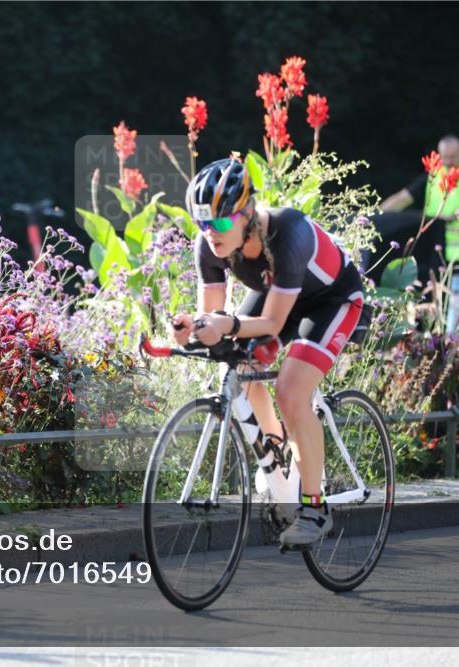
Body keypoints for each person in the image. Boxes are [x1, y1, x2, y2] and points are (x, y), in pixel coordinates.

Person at [170, 158, 364, 546]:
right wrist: (192, 329)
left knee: (291, 391)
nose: (210, 233)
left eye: (219, 222)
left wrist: (226, 325)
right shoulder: (209, 245)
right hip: (280, 294)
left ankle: (315, 509)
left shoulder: (288, 234)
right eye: (201, 223)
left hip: (330, 300)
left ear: (247, 213)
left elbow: (273, 324)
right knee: (238, 366)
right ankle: (276, 448)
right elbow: (213, 317)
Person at [374, 134, 459, 280]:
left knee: (456, 287)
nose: (449, 162)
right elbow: (403, 198)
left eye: (453, 157)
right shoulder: (434, 176)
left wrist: (451, 216)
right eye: (445, 157)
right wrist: (377, 214)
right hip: (432, 244)